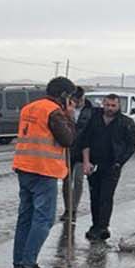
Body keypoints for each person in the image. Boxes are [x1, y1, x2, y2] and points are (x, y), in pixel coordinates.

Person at [11, 76, 80, 268]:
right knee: (43, 219)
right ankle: (28, 265)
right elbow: (68, 139)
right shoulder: (54, 112)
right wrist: (69, 116)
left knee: (25, 218)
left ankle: (19, 264)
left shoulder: (29, 108)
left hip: (24, 167)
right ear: (64, 96)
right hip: (44, 170)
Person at [80, 92, 135, 240]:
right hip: (94, 164)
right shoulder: (94, 120)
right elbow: (85, 141)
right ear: (103, 104)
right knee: (95, 196)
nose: (110, 108)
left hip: (112, 166)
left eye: (113, 105)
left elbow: (131, 146)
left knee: (106, 196)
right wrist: (86, 162)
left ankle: (103, 227)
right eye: (107, 105)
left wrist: (120, 162)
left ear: (118, 106)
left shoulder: (126, 123)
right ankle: (95, 225)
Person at [61, 88, 92, 221]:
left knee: (78, 180)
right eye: (75, 100)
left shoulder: (90, 111)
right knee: (66, 180)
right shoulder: (66, 110)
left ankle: (74, 209)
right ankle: (67, 208)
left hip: (83, 151)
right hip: (68, 150)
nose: (78, 102)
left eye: (80, 100)